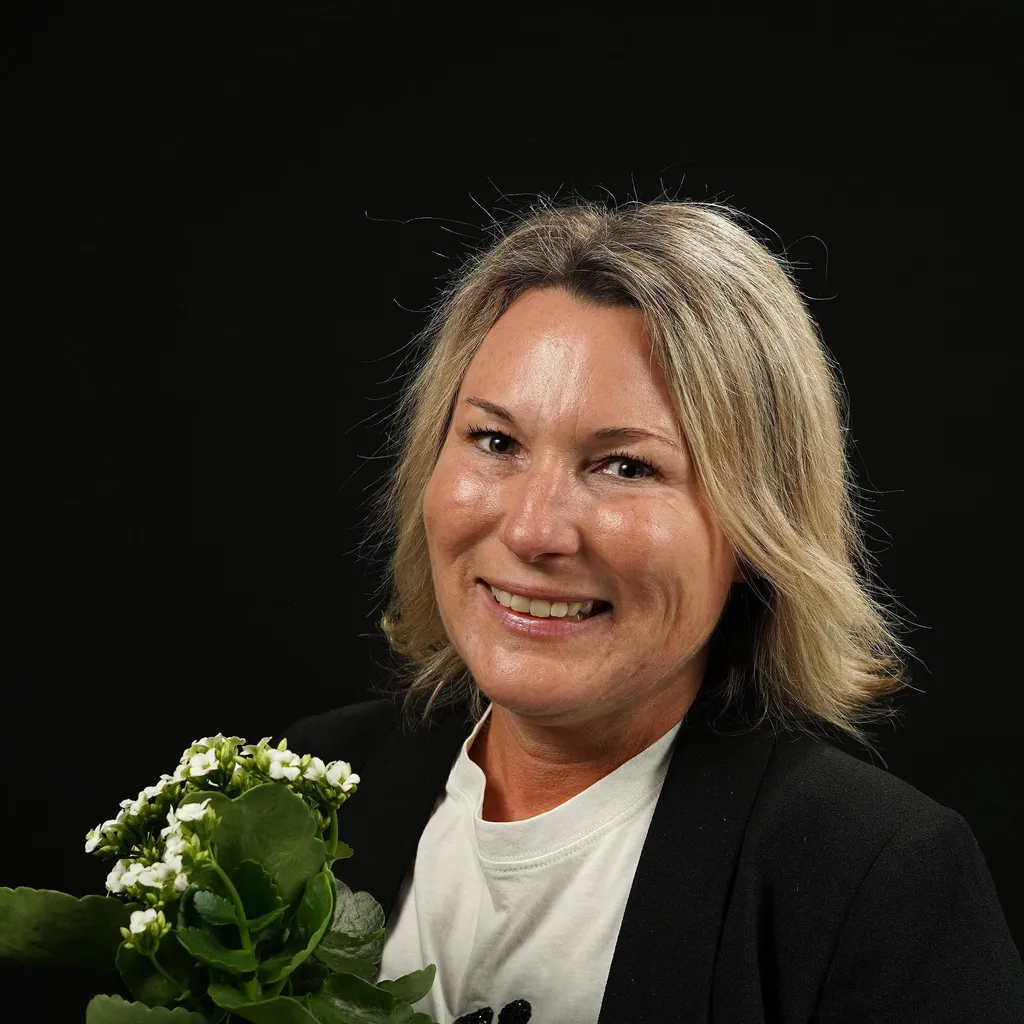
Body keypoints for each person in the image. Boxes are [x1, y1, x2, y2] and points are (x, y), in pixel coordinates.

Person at [284, 199, 1024, 1024]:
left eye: (626, 466)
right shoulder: (308, 790)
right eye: (496, 442)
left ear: (756, 530)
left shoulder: (876, 883)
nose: (532, 530)